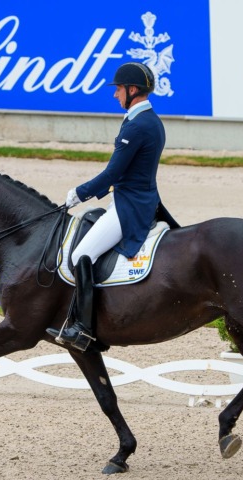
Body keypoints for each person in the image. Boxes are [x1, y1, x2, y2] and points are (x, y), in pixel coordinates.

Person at [46, 62, 170, 351]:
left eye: (118, 89)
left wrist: (79, 193)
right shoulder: (145, 119)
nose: (115, 95)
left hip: (131, 206)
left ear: (132, 90)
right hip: (133, 198)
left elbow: (113, 173)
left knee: (81, 255)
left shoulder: (139, 125)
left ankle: (84, 329)